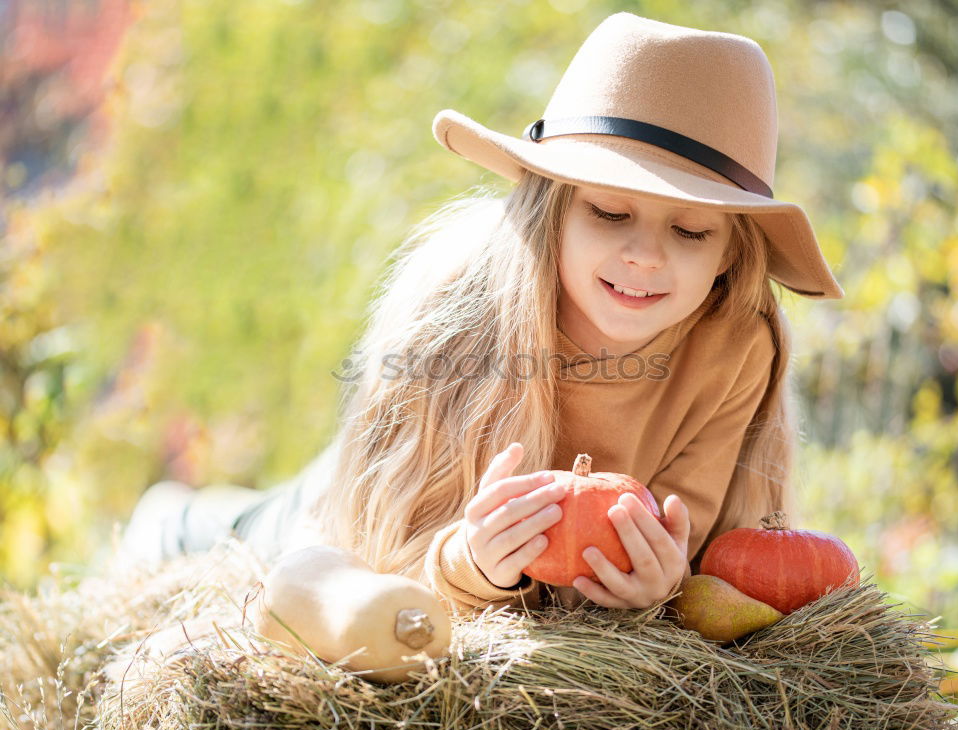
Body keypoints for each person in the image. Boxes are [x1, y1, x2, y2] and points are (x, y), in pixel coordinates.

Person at [118, 12, 843, 613]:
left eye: (690, 232)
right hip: (347, 504)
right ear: (551, 210)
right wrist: (471, 561)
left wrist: (661, 585)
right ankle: (173, 517)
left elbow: (690, 532)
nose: (646, 257)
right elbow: (372, 548)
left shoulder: (738, 346)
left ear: (728, 253)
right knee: (251, 537)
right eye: (610, 212)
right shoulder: (456, 313)